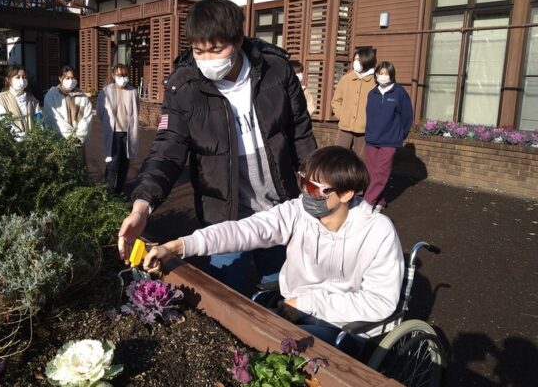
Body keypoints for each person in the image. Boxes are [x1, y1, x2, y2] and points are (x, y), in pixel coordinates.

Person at [118, 0, 317, 293]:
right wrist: (142, 206)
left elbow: (300, 132)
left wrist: (318, 186)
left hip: (280, 210)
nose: (208, 59)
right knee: (225, 294)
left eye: (217, 49)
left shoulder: (277, 71)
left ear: (238, 40)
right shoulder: (183, 88)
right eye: (199, 50)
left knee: (283, 290)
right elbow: (166, 149)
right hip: (224, 215)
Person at [143, 146, 404, 353]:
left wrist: (308, 303)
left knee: (287, 352)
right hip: (292, 310)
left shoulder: (377, 231)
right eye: (303, 182)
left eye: (315, 189)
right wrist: (180, 245)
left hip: (345, 325)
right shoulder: (297, 212)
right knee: (242, 338)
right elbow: (246, 230)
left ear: (346, 193)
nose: (305, 193)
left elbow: (380, 301)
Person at [364, 61, 413, 213]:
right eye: (380, 73)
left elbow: (407, 117)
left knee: (381, 173)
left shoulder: (399, 92)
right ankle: (380, 199)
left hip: (390, 140)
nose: (382, 76)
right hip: (372, 139)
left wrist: (399, 134)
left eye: (386, 73)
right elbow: (369, 115)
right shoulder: (372, 93)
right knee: (371, 173)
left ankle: (366, 204)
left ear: (392, 75)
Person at [96, 64, 140, 196]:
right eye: (120, 75)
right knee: (113, 163)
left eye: (125, 75)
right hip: (114, 133)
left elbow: (137, 109)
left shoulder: (133, 91)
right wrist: (109, 124)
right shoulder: (106, 91)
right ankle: (108, 193)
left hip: (128, 132)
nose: (123, 78)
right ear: (113, 76)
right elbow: (100, 111)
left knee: (124, 164)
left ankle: (119, 191)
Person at [331, 47, 377, 159]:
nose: (355, 62)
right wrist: (342, 116)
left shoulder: (375, 81)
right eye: (355, 59)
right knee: (338, 158)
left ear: (367, 60)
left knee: (361, 161)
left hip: (365, 130)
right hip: (345, 127)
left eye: (359, 60)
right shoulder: (346, 79)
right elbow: (336, 101)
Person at [44, 66, 93, 144]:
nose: (71, 81)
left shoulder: (82, 96)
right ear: (60, 78)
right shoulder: (52, 95)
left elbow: (87, 118)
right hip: (59, 142)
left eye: (73, 78)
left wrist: (79, 137)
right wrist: (70, 136)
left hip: (78, 142)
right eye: (67, 78)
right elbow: (54, 118)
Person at [0, 65, 41, 141]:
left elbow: (38, 118)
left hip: (33, 143)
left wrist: (39, 134)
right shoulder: (1, 99)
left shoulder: (32, 98)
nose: (22, 80)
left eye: (24, 77)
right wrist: (22, 137)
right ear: (9, 80)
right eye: (18, 77)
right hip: (13, 145)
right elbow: (5, 122)